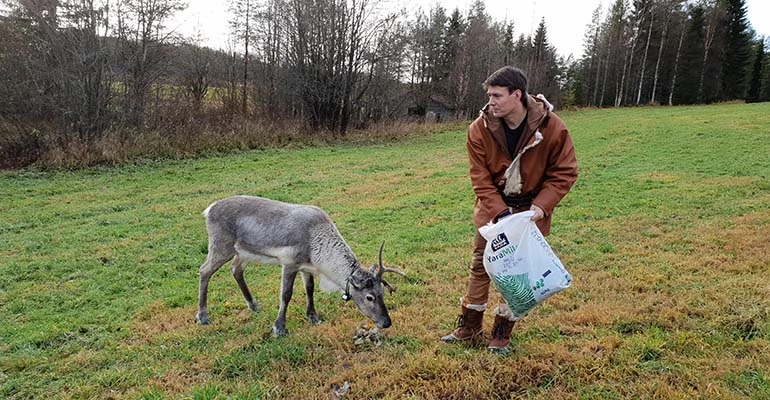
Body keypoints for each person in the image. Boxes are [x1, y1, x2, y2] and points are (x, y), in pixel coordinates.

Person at [440, 66, 578, 354]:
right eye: (489, 95)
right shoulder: (479, 128)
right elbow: (479, 177)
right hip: (494, 210)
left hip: (530, 212)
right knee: (481, 263)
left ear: (517, 95)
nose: (491, 102)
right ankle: (469, 327)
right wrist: (501, 216)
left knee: (519, 270)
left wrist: (539, 210)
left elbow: (564, 172)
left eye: (497, 95)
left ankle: (502, 331)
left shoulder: (552, 128)